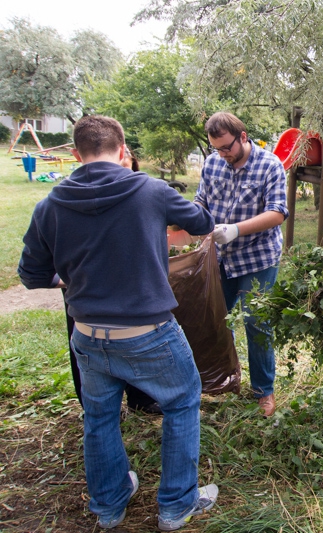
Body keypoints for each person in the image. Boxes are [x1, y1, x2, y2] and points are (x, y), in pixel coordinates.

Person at [18, 115, 219, 530]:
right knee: (182, 402)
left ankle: (109, 506)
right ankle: (176, 505)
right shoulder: (151, 189)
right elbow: (202, 223)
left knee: (100, 416)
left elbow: (33, 274)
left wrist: (68, 278)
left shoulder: (50, 204)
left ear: (77, 154)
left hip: (89, 336)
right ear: (124, 150)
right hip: (149, 333)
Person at [195, 112, 289, 417]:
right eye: (216, 149)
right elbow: (201, 203)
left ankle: (264, 391)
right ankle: (223, 378)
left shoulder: (269, 165)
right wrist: (188, 217)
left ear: (243, 137)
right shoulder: (212, 164)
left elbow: (277, 213)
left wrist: (235, 229)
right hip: (220, 258)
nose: (222, 155)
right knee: (213, 319)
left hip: (257, 258)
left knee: (256, 323)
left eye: (226, 148)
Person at [63, 144, 161, 415]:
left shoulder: (143, 193)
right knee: (89, 354)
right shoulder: (74, 194)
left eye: (129, 170)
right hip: (88, 294)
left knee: (134, 347)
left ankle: (140, 397)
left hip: (130, 292)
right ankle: (97, 406)